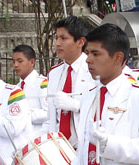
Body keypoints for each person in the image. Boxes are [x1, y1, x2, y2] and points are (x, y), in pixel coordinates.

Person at [73, 23, 139, 164]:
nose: (88, 60)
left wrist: (109, 144)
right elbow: (83, 147)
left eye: (96, 54)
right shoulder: (89, 96)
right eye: (87, 53)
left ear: (118, 58)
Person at [44, 16, 93, 148]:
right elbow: (51, 117)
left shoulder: (93, 70)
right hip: (59, 148)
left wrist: (76, 106)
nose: (58, 43)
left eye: (64, 38)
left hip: (86, 146)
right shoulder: (54, 73)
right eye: (56, 38)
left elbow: (102, 111)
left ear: (80, 42)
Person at [13, 44, 49, 138]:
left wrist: (23, 115)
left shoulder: (42, 84)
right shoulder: (15, 88)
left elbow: (49, 113)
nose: (16, 65)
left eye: (20, 61)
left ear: (32, 62)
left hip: (38, 138)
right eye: (14, 61)